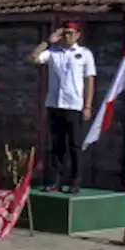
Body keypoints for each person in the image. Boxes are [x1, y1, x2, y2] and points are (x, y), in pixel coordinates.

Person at [27, 21, 96, 194]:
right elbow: (32, 58)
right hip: (55, 104)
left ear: (78, 35)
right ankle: (54, 181)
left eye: (71, 33)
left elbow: (89, 80)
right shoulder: (53, 52)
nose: (67, 36)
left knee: (74, 145)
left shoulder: (84, 54)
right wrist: (47, 41)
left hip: (74, 106)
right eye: (64, 33)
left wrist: (87, 105)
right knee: (56, 145)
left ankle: (75, 180)